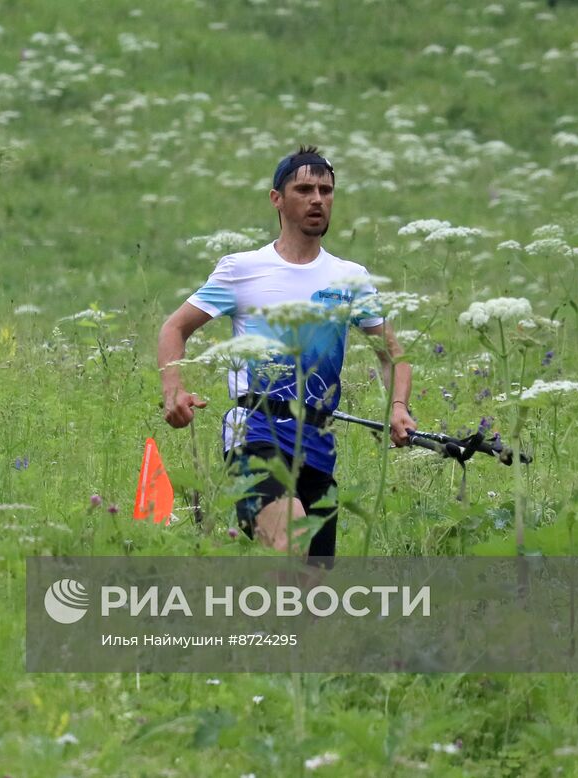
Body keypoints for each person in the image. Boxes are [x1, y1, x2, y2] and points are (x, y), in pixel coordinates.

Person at [157, 146, 414, 559]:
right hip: (255, 430)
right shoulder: (242, 268)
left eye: (326, 190)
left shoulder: (350, 278)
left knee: (312, 593)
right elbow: (174, 328)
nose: (318, 199)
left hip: (318, 443)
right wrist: (174, 389)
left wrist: (398, 408)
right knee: (290, 541)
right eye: (305, 189)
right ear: (276, 198)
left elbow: (392, 357)